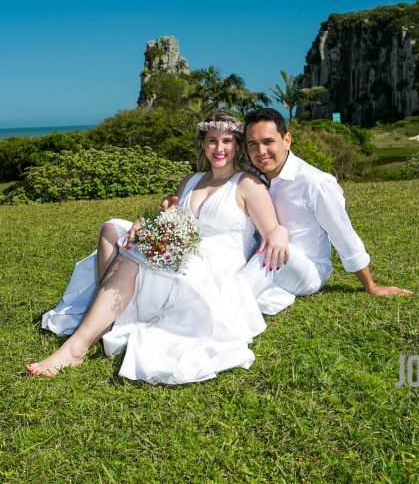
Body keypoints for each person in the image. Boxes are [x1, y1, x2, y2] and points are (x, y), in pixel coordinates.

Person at [27, 111, 291, 383]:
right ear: (203, 144)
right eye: (212, 140)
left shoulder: (248, 184)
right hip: (180, 249)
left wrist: (281, 232)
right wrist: (146, 223)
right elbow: (171, 217)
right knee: (111, 229)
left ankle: (77, 347)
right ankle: (106, 320)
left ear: (237, 145)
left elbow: (272, 230)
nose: (219, 148)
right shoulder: (191, 180)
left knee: (133, 254)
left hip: (213, 266)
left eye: (227, 141)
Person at [235, 108, 413, 313]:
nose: (261, 151)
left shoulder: (315, 182)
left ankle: (226, 304)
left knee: (272, 250)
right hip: (271, 263)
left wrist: (371, 286)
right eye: (253, 144)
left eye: (268, 142)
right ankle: (267, 297)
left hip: (309, 271)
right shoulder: (253, 180)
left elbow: (343, 234)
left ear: (287, 140)